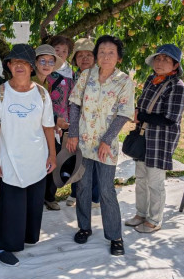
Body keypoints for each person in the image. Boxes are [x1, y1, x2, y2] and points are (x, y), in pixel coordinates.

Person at [0, 44, 57, 267]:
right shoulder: (0, 94)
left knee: (33, 205)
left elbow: (48, 127)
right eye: (15, 62)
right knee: (12, 207)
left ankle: (26, 237)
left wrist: (52, 155)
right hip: (10, 160)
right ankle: (1, 245)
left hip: (37, 160)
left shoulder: (42, 94)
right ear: (9, 65)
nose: (19, 66)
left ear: (31, 67)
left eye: (24, 62)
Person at [66, 35, 134, 256]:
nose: (106, 56)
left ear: (119, 58)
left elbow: (124, 114)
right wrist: (73, 134)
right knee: (83, 186)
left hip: (106, 146)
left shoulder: (124, 81)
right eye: (102, 52)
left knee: (106, 190)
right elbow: (74, 105)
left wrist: (107, 140)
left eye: (111, 52)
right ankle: (84, 227)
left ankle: (115, 236)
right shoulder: (87, 76)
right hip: (84, 142)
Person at [125, 44, 184, 233]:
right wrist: (137, 113)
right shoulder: (152, 80)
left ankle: (154, 220)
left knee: (154, 181)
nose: (160, 62)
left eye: (166, 59)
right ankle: (141, 213)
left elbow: (170, 119)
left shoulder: (177, 86)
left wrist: (142, 116)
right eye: (158, 58)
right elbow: (143, 105)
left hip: (160, 141)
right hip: (144, 136)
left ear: (175, 65)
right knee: (141, 178)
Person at [33, 44, 73, 211]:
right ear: (35, 62)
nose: (47, 64)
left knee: (50, 160)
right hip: (34, 134)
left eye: (51, 61)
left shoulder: (45, 83)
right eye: (43, 61)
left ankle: (44, 198)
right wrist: (56, 121)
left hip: (50, 129)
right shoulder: (31, 83)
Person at [66, 38, 100, 208]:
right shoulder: (73, 77)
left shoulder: (100, 76)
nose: (84, 58)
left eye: (89, 55)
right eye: (80, 55)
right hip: (75, 125)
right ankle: (75, 192)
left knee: (94, 162)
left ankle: (94, 196)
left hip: (95, 127)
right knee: (76, 159)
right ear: (75, 59)